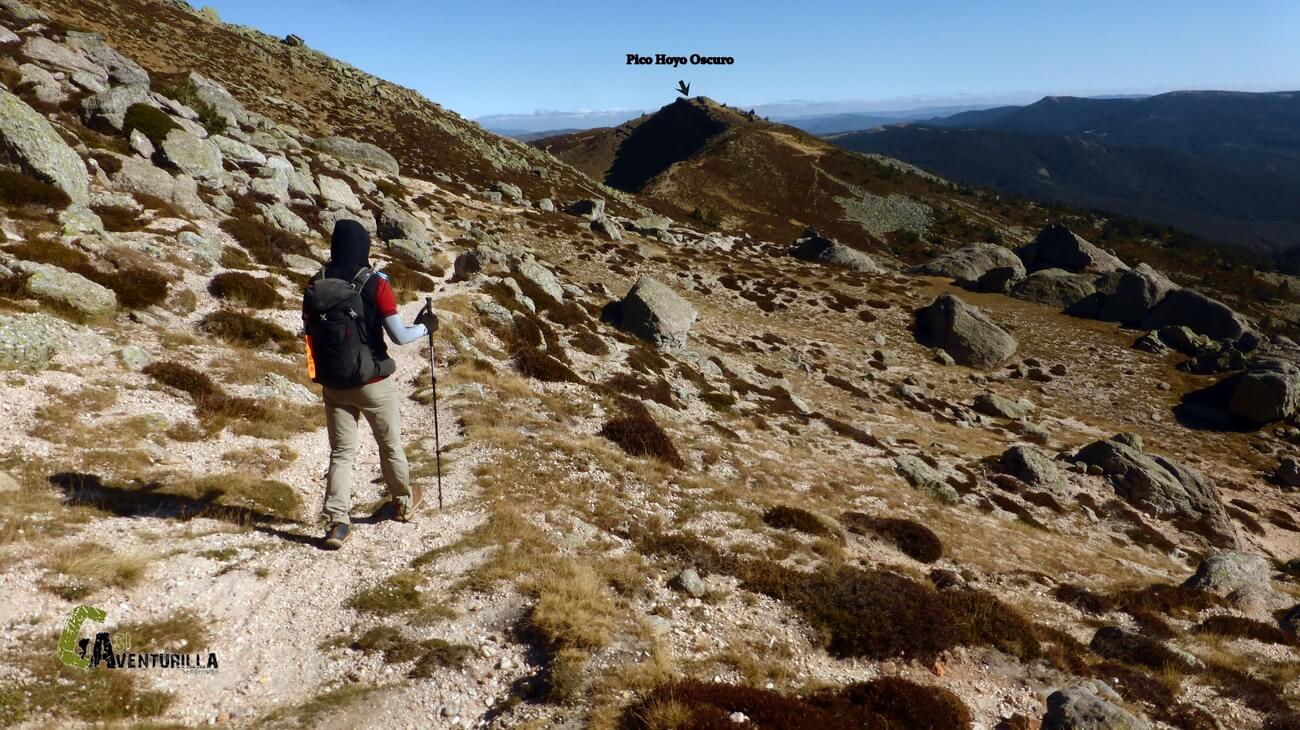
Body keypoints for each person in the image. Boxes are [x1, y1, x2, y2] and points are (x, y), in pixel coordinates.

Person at [304, 220, 438, 550]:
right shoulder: (375, 283)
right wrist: (426, 327)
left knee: (342, 453)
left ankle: (337, 523)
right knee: (389, 444)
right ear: (364, 247)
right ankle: (403, 503)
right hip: (374, 381)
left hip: (333, 382)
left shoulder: (315, 284)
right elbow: (400, 336)